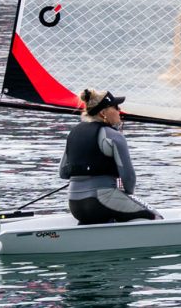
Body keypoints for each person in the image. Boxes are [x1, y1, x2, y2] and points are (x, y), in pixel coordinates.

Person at [60, 88, 158, 224]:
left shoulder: (73, 133)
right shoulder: (113, 136)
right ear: (103, 113)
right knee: (154, 217)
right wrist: (127, 197)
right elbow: (129, 178)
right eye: (116, 107)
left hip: (75, 205)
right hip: (102, 201)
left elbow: (63, 173)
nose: (119, 110)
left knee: (113, 213)